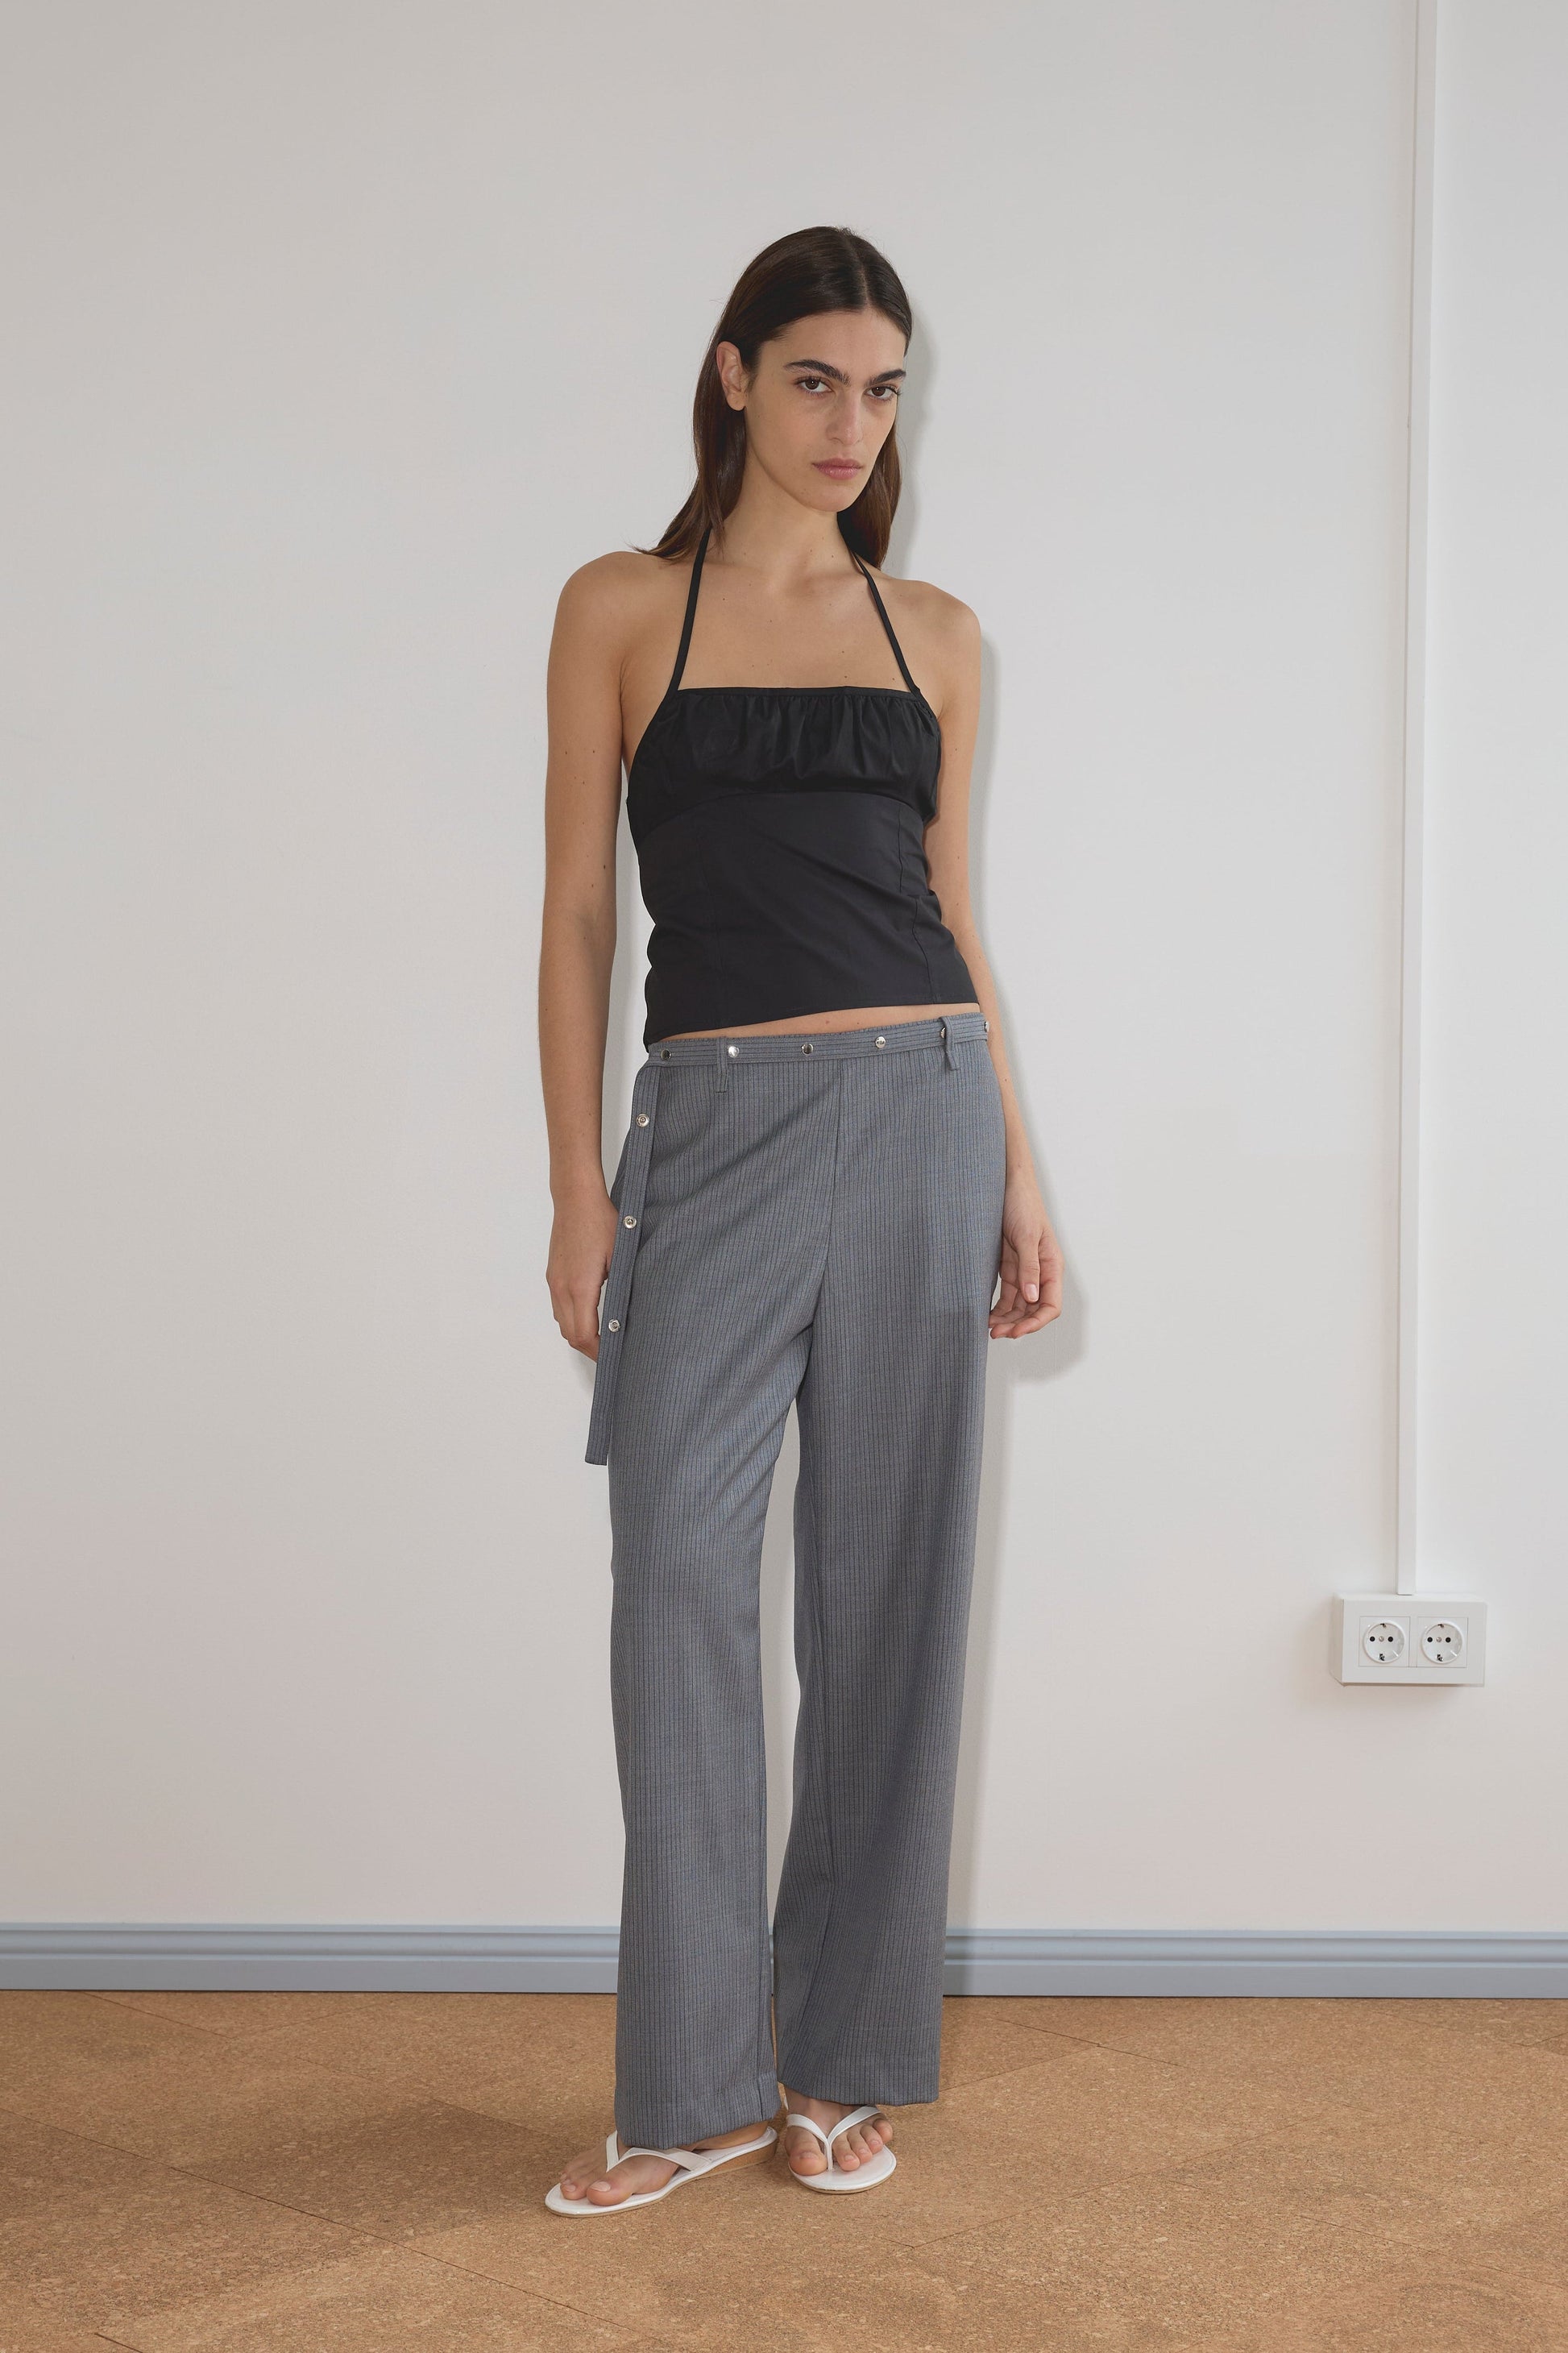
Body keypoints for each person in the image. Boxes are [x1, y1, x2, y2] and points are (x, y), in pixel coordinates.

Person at [537, 224, 1062, 2214]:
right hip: (716, 1125)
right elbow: (583, 915)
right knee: (671, 1568)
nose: (858, 422)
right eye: (822, 378)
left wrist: (1015, 1161)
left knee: (887, 1596)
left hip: (923, 1105)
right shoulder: (618, 608)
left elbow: (954, 914)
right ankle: (683, 2080)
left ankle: (839, 2066)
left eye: (888, 387)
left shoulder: (934, 631)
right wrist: (577, 1179)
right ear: (737, 375)